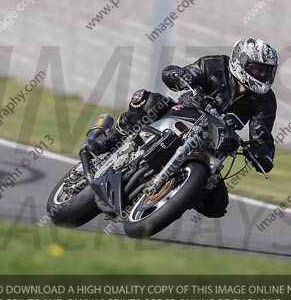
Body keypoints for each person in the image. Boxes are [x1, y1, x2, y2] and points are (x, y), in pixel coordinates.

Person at [84, 38, 279, 219]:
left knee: (217, 204)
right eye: (258, 70)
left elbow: (262, 132)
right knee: (149, 101)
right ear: (241, 62)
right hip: (185, 114)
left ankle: (173, 195)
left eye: (267, 71)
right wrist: (180, 75)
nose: (263, 75)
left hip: (215, 140)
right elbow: (183, 74)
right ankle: (110, 136)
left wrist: (262, 153)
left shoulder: (266, 101)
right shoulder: (214, 64)